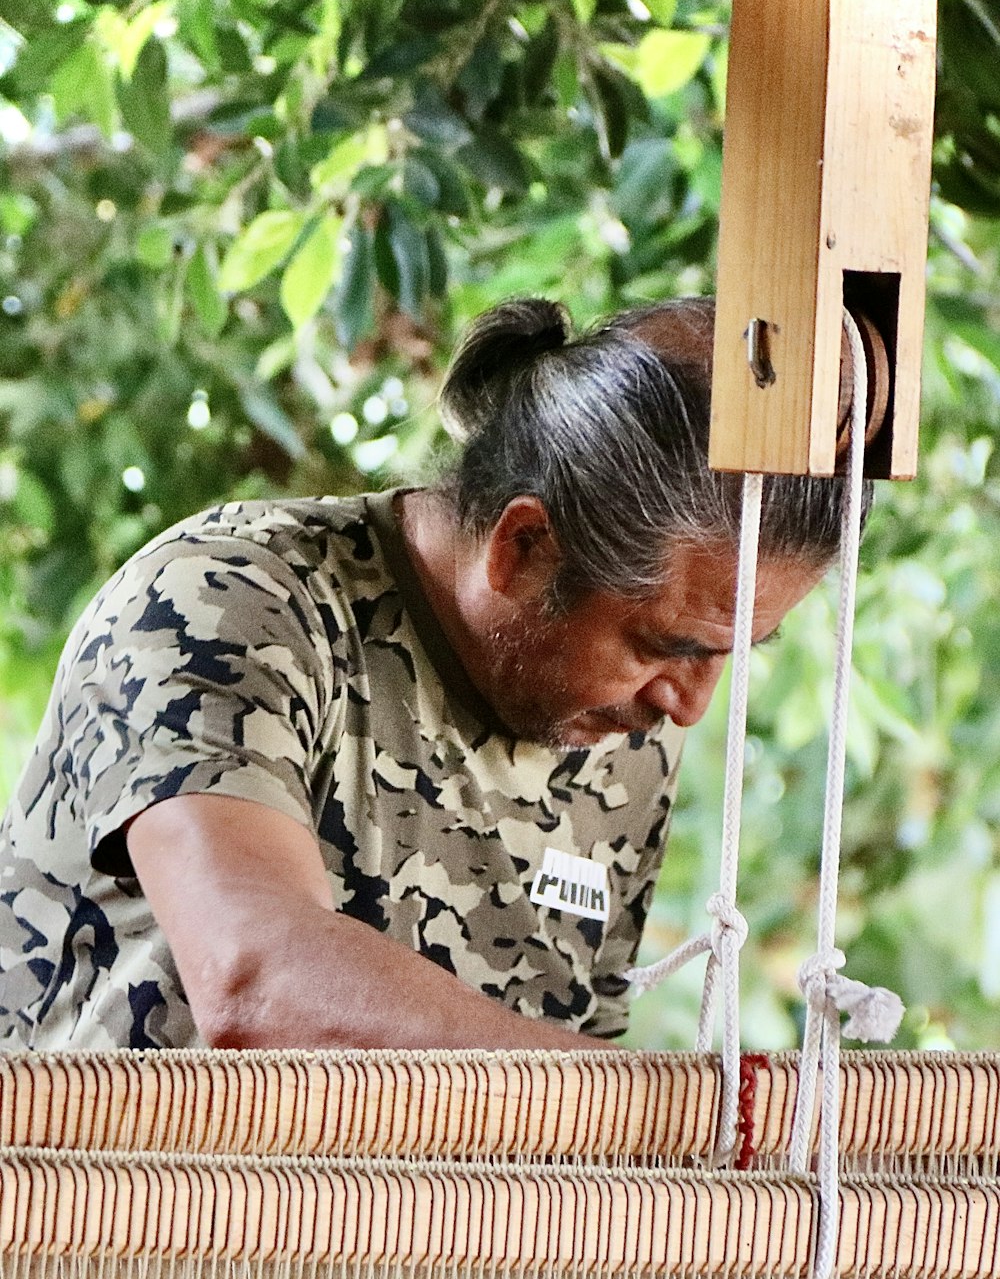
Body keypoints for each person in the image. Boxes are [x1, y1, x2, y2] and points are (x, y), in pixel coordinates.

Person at [0, 297, 866, 1054]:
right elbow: (256, 979)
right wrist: (638, 1109)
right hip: (96, 1227)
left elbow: (555, 1087)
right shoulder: (226, 601)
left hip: (398, 1244)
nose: (688, 707)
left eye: (731, 655)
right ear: (525, 547)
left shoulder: (619, 737)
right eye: (666, 645)